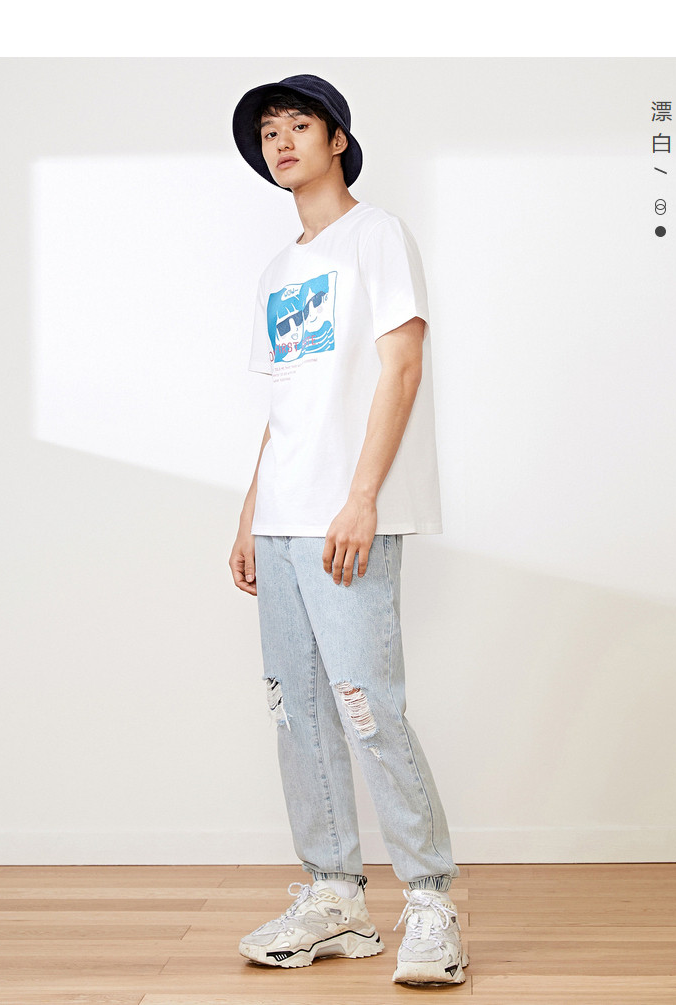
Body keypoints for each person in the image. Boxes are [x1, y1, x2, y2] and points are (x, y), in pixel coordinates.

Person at [229, 73, 468, 986]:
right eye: (269, 131)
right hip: (282, 521)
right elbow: (284, 408)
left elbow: (401, 367)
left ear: (336, 139)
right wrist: (250, 512)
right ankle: (335, 897)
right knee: (297, 713)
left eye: (299, 124)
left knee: (370, 707)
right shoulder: (277, 271)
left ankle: (431, 900)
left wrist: (363, 498)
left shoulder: (378, 235)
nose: (282, 141)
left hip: (347, 514)